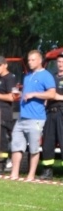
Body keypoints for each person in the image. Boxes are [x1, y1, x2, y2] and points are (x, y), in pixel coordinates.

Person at [9, 50, 55, 181]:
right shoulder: (27, 76)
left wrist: (34, 94)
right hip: (22, 117)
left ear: (40, 61)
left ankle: (31, 175)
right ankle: (14, 174)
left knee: (34, 148)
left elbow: (51, 94)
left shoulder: (46, 76)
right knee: (16, 146)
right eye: (29, 60)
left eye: (33, 60)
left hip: (36, 118)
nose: (30, 62)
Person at [40, 53, 63, 181]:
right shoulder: (52, 78)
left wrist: (56, 97)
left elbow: (52, 95)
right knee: (48, 142)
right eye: (59, 62)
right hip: (50, 112)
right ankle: (47, 171)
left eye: (62, 62)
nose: (60, 64)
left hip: (62, 112)